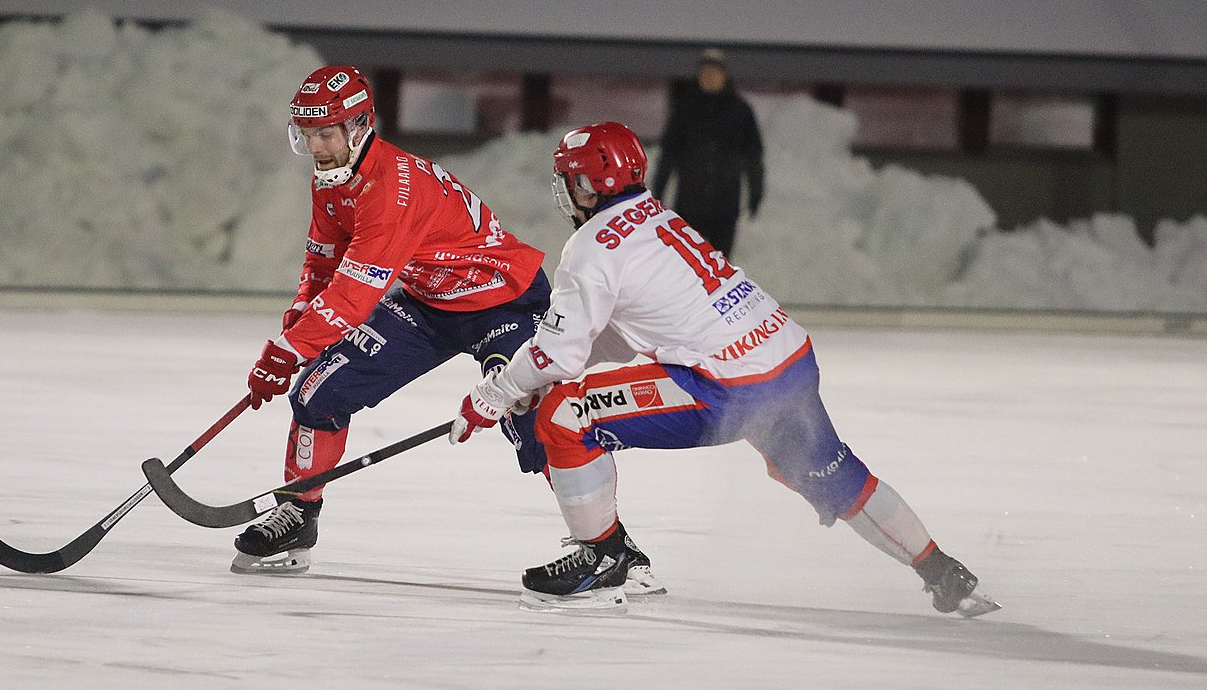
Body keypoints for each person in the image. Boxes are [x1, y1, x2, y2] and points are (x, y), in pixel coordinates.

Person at [450, 121, 997, 616]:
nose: (564, 191)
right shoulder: (656, 215)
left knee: (566, 418)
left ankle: (603, 561)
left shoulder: (591, 247)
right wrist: (538, 376)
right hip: (787, 359)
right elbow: (615, 337)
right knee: (834, 475)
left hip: (727, 386)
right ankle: (941, 570)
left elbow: (559, 352)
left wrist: (495, 394)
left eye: (569, 179)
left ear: (588, 185)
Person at [229, 65, 665, 586]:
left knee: (533, 413)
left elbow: (353, 295)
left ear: (361, 125)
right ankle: (298, 514)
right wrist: (296, 327)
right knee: (320, 389)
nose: (316, 146)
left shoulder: (392, 191)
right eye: (307, 135)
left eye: (326, 133)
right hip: (427, 301)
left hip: (502, 301)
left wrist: (288, 348)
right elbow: (323, 268)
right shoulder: (333, 178)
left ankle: (609, 545)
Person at [651, 47, 764, 259]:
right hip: (689, 205)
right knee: (688, 264)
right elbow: (669, 152)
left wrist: (755, 192)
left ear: (724, 75)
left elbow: (753, 156)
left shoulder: (740, 111)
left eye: (714, 73)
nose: (709, 78)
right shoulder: (685, 109)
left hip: (725, 206)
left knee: (721, 267)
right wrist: (658, 189)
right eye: (704, 73)